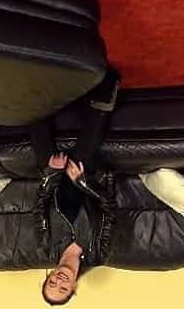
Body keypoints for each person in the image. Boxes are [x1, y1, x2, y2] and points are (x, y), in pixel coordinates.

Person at [32, 68, 120, 306]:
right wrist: (82, 181)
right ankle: (105, 90)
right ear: (74, 288)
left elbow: (40, 205)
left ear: (48, 276)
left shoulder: (46, 247)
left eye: (52, 283)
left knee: (41, 146)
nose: (59, 281)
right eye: (63, 288)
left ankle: (35, 81)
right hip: (89, 182)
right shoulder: (99, 253)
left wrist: (52, 173)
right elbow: (110, 208)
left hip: (57, 181)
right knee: (85, 156)